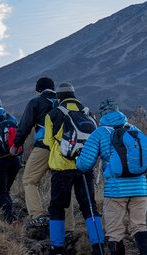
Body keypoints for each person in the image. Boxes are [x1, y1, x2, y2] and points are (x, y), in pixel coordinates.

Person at [76, 99, 147, 255]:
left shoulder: (99, 133)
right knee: (139, 226)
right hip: (139, 188)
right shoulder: (134, 129)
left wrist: (76, 160)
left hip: (115, 190)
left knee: (115, 231)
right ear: (118, 111)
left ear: (102, 114)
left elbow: (85, 164)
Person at [43, 83, 104, 255]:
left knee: (57, 207)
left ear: (58, 97)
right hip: (84, 167)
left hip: (62, 169)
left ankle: (57, 248)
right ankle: (98, 246)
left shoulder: (53, 114)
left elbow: (48, 141)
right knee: (89, 206)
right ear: (74, 95)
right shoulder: (87, 112)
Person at [9, 77, 75, 233]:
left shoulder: (36, 102)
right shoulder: (62, 102)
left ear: (39, 90)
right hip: (63, 150)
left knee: (29, 180)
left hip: (43, 147)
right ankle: (69, 226)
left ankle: (38, 215)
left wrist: (16, 145)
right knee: (62, 187)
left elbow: (24, 126)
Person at [0, 93, 22, 225]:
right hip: (15, 159)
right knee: (5, 190)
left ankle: (10, 219)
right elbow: (20, 137)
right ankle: (11, 214)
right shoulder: (10, 118)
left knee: (0, 192)